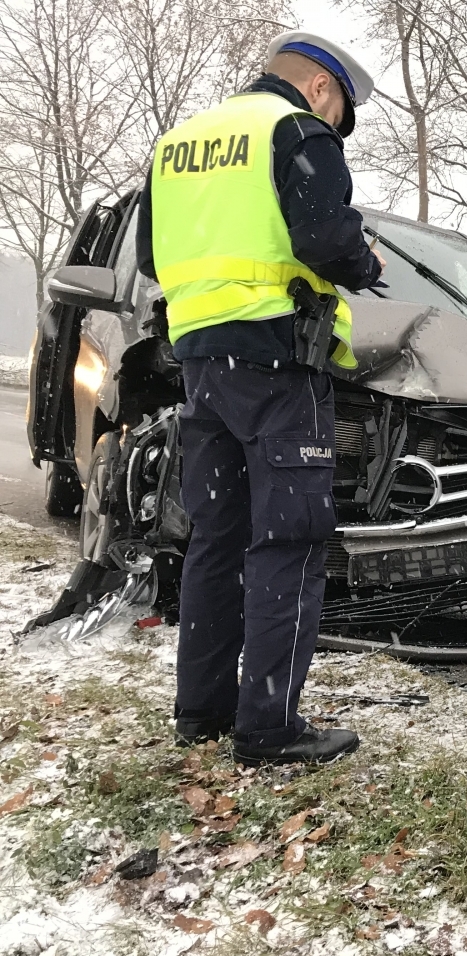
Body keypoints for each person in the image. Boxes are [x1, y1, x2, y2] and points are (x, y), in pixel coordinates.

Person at [136, 33, 384, 766]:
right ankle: (269, 727)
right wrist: (363, 261)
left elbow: (153, 257)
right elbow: (325, 238)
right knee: (290, 541)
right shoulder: (296, 132)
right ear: (321, 90)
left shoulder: (178, 144)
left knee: (217, 540)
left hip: (202, 363)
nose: (335, 127)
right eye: (340, 114)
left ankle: (201, 712)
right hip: (279, 364)